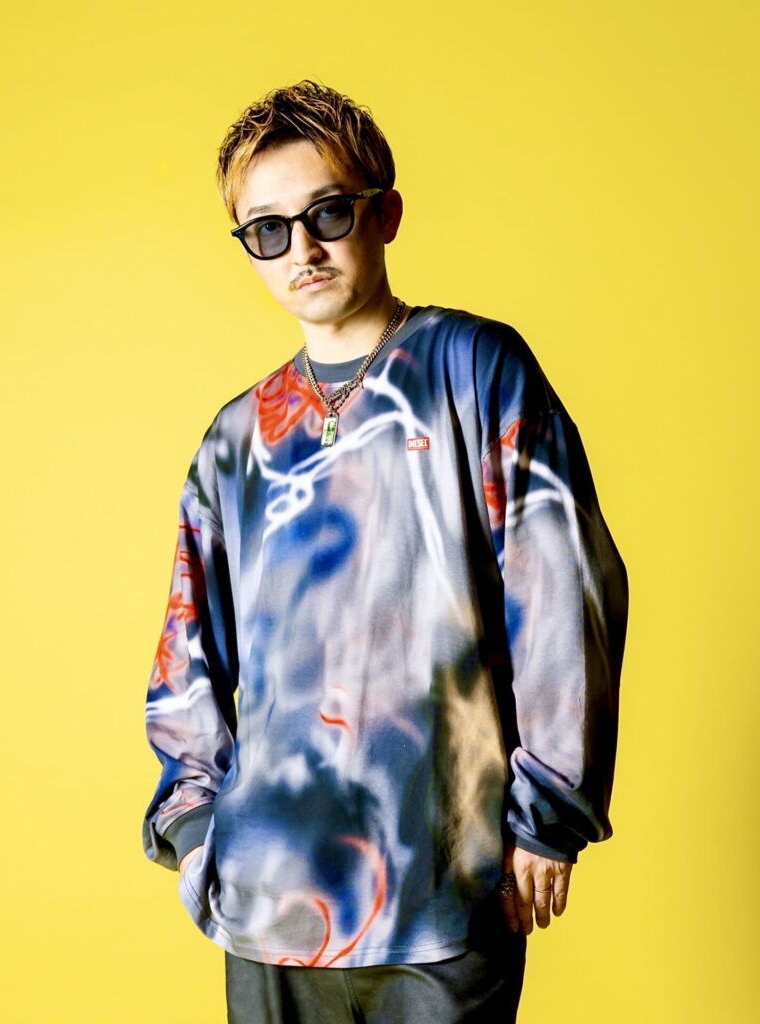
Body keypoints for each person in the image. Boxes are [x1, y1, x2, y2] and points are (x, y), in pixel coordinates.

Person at [141, 79, 629, 1023]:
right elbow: (187, 649)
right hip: (268, 904)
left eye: (327, 212)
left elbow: (565, 591)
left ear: (385, 213)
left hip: (445, 892)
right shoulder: (236, 438)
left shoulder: (475, 369)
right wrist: (196, 830)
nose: (303, 249)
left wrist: (549, 817)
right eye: (268, 230)